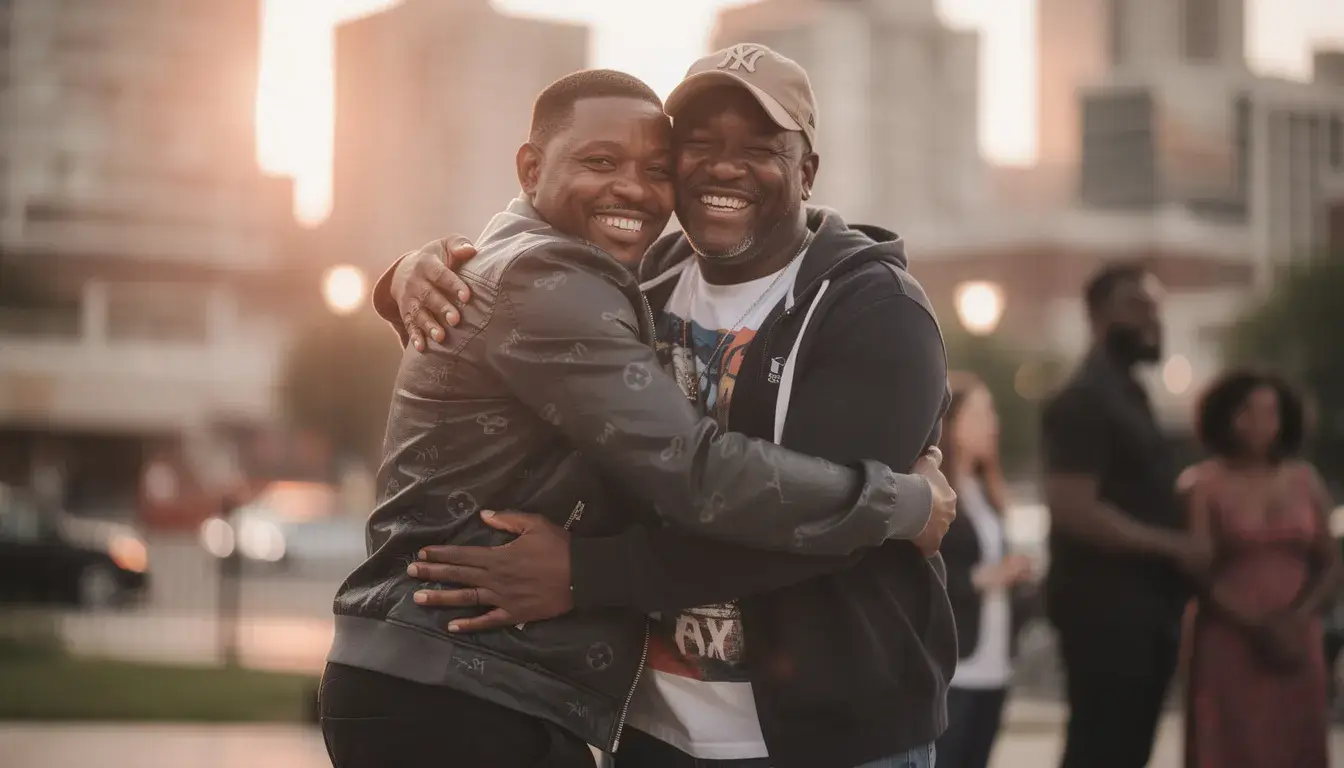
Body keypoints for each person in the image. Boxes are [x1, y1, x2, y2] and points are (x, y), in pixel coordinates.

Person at [321, 69, 953, 768]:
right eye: (697, 145)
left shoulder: (872, 307)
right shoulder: (622, 272)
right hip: (592, 716)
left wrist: (585, 574)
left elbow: (796, 535)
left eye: (759, 148)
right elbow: (693, 469)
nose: (721, 166)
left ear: (807, 170)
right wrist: (904, 501)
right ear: (531, 168)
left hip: (833, 734)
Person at [1040, 262, 1211, 768]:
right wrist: (1174, 546)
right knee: (1102, 752)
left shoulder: (1128, 394)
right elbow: (1074, 508)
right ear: (1096, 316)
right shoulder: (1085, 398)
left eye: (1156, 309)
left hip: (1142, 612)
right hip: (1107, 615)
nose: (1153, 321)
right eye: (1138, 308)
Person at [1183, 370, 1339, 768]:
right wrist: (1256, 625)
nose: (1259, 424)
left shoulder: (1306, 481)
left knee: (1296, 742)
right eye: (1246, 412)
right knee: (1233, 743)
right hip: (1229, 638)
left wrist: (1298, 620)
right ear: (1222, 417)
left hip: (1297, 637)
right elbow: (1197, 571)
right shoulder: (1203, 484)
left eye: (1270, 413)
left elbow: (1331, 563)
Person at [936, 373, 1035, 768]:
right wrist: (988, 577)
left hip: (995, 661)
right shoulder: (937, 489)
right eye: (982, 413)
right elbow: (930, 574)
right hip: (956, 669)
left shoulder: (988, 493)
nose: (993, 423)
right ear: (953, 422)